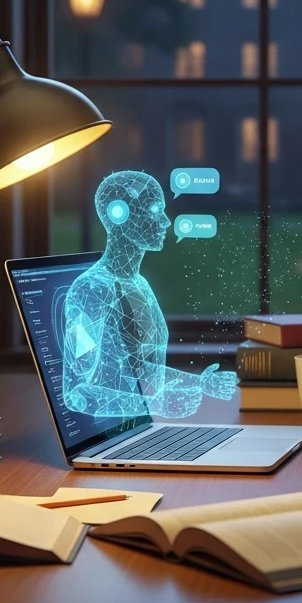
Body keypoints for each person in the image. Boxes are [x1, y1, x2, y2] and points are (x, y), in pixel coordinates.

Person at [61, 170, 237, 419]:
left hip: (147, 429)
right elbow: (76, 393)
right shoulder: (91, 289)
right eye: (154, 211)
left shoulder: (139, 283)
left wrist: (199, 383)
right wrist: (155, 405)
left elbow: (133, 366)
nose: (165, 221)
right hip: (114, 435)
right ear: (118, 214)